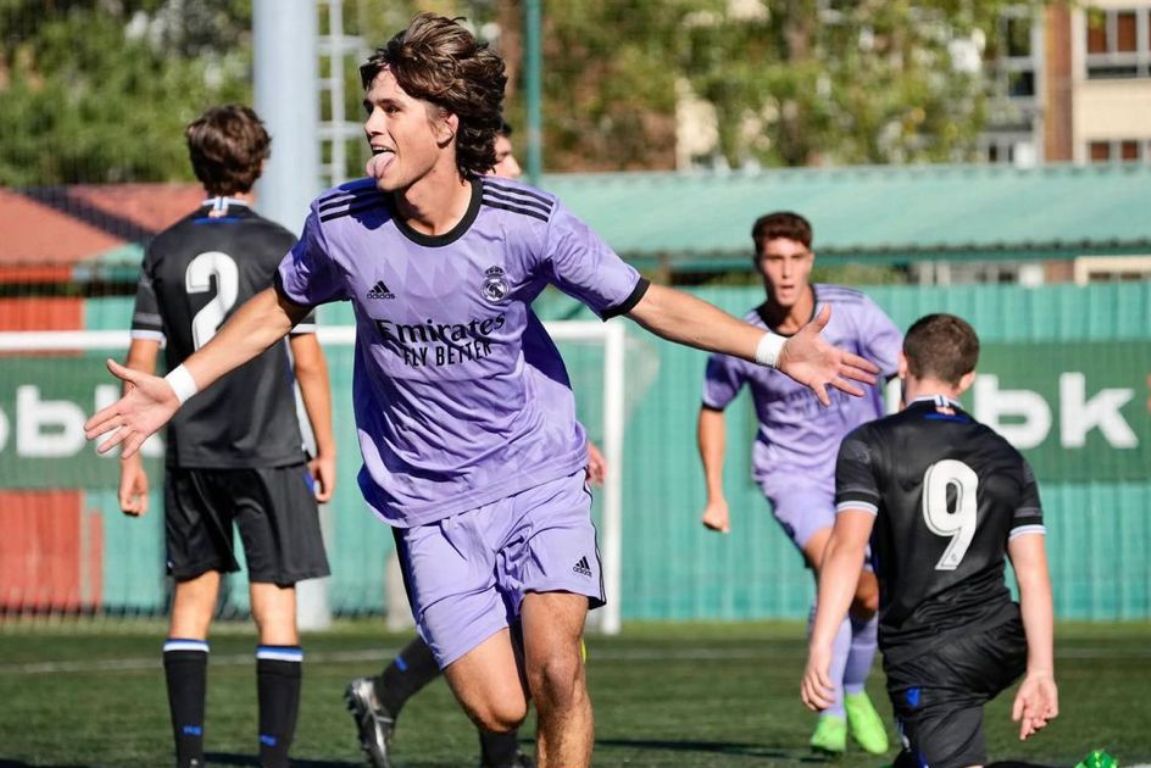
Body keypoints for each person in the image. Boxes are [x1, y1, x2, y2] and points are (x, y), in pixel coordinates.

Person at [86, 14, 877, 768]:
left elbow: (651, 303)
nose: (371, 125)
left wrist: (778, 351)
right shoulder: (340, 226)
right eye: (370, 107)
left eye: (391, 108)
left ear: (445, 125)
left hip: (537, 475)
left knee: (558, 674)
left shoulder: (529, 224)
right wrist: (176, 385)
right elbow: (275, 309)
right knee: (499, 708)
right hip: (427, 502)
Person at [343, 118, 571, 768]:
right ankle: (389, 694)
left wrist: (560, 444)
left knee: (537, 638)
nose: (510, 172)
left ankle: (389, 696)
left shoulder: (514, 238)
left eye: (511, 158)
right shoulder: (409, 248)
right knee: (498, 641)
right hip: (433, 481)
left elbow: (521, 369)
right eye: (498, 159)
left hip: (519, 471)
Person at [117, 105, 336, 768]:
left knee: (192, 602)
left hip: (192, 453)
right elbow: (306, 360)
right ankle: (272, 761)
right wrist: (325, 447)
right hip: (269, 450)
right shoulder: (280, 246)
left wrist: (129, 458)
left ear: (196, 166)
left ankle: (189, 758)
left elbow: (140, 366)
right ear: (259, 165)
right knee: (275, 608)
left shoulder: (164, 248)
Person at [801, 313, 1059, 768]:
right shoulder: (1008, 455)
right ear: (968, 379)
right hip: (1004, 638)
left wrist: (823, 643)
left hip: (930, 653)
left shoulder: (868, 444)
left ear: (902, 362)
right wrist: (1041, 668)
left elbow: (844, 551)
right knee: (919, 756)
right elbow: (1033, 575)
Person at [697, 211, 899, 755]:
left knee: (870, 595)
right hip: (791, 475)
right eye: (774, 259)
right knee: (839, 563)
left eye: (794, 259)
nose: (785, 271)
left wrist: (905, 443)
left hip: (864, 472)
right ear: (759, 262)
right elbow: (712, 407)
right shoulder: (745, 335)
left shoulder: (852, 313)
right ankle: (830, 711)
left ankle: (853, 689)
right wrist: (715, 492)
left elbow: (901, 366)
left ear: (809, 260)